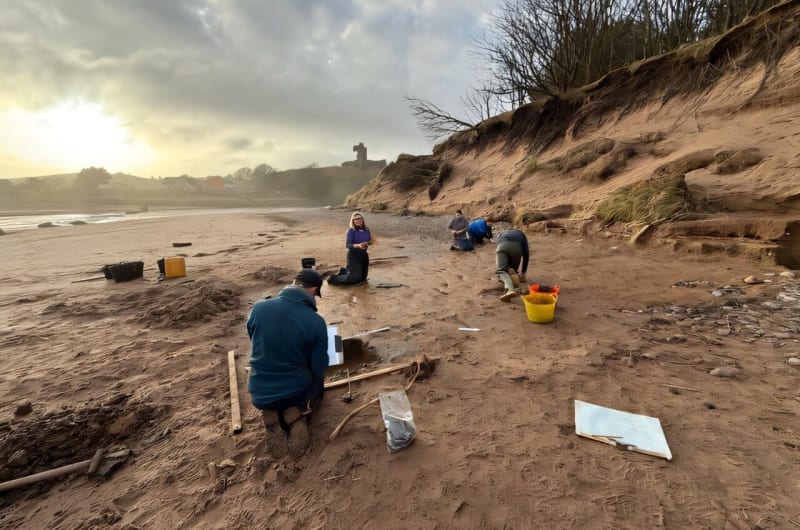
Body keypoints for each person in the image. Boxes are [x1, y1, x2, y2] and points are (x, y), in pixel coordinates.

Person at [247, 269, 328, 459]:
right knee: (318, 381)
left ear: (293, 283)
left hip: (258, 392)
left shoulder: (259, 307)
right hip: (295, 391)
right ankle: (298, 413)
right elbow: (319, 367)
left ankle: (272, 413)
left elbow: (255, 340)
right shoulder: (316, 321)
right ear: (314, 289)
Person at [328, 211, 373, 285]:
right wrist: (358, 245)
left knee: (362, 278)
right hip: (354, 255)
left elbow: (369, 241)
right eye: (355, 219)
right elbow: (348, 245)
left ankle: (344, 271)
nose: (358, 220)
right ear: (353, 221)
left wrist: (369, 243)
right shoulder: (351, 230)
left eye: (359, 218)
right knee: (354, 279)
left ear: (362, 219)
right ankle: (333, 278)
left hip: (364, 255)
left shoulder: (366, 229)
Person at [495, 228, 530, 302]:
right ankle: (513, 290)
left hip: (502, 247)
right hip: (516, 248)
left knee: (501, 270)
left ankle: (510, 289)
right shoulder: (521, 234)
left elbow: (498, 245)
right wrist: (523, 272)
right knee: (513, 270)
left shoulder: (503, 233)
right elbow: (526, 255)